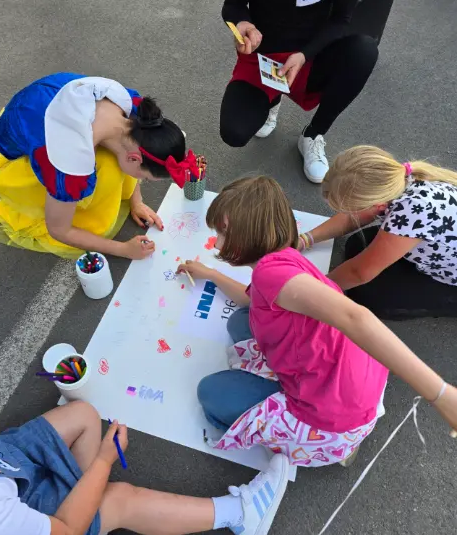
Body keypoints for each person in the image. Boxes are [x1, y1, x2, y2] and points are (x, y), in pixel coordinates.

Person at [178, 176, 457, 465]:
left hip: (332, 417)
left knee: (211, 395)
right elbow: (252, 299)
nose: (216, 242)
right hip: (354, 382)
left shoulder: (270, 273)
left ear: (249, 235)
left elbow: (356, 317)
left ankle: (323, 447)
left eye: (223, 233)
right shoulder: (282, 256)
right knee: (239, 321)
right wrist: (211, 275)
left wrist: (440, 394)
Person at [0, 378, 289, 535]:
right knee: (119, 499)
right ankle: (239, 515)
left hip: (3, 472)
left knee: (81, 415)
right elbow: (64, 531)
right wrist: (103, 461)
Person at [0, 73, 199, 259]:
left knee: (115, 157)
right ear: (135, 159)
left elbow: (135, 151)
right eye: (146, 178)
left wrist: (137, 201)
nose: (142, 181)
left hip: (34, 112)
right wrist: (123, 249)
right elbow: (59, 230)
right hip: (7, 160)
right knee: (106, 183)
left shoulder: (134, 109)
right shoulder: (68, 161)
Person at [220, 0, 379, 183]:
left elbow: (341, 19)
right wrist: (241, 24)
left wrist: (305, 55)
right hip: (263, 54)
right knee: (234, 133)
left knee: (364, 51)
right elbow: (233, 5)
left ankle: (313, 134)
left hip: (313, 52)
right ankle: (272, 101)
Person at [300, 145, 457, 319]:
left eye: (349, 208)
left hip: (451, 277)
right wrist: (305, 239)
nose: (346, 213)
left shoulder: (413, 213)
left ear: (378, 205)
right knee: (356, 245)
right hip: (438, 243)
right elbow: (352, 218)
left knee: (368, 295)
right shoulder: (393, 180)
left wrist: (312, 289)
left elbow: (359, 273)